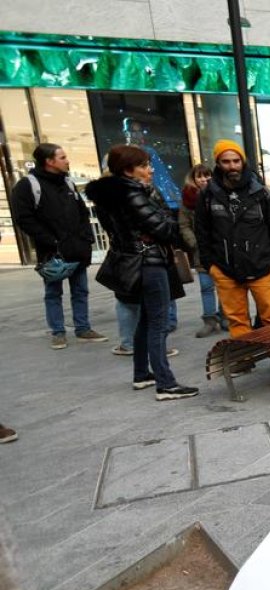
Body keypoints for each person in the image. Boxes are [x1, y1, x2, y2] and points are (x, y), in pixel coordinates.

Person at [86, 145, 198, 400]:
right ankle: (166, 384)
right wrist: (163, 211)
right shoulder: (133, 194)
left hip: (135, 261)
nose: (150, 170)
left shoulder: (111, 194)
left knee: (147, 320)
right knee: (158, 322)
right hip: (149, 262)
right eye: (144, 166)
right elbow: (165, 229)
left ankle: (141, 374)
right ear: (128, 170)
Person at [194, 139, 270, 373]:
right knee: (237, 320)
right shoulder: (208, 195)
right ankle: (243, 359)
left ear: (243, 162)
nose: (232, 166)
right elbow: (202, 232)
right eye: (226, 161)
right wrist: (210, 265)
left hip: (262, 266)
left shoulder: (261, 193)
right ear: (218, 163)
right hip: (225, 269)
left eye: (236, 161)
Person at [11, 143, 107, 349]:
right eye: (62, 157)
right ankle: (58, 332)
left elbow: (82, 213)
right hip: (52, 252)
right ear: (49, 161)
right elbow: (23, 218)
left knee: (80, 290)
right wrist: (50, 240)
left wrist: (86, 238)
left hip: (77, 248)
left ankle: (83, 328)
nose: (67, 161)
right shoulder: (28, 185)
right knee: (53, 292)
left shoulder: (68, 183)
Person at [178, 164, 225, 338]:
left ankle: (225, 316)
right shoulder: (187, 199)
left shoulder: (221, 194)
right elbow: (184, 225)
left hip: (221, 248)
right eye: (200, 176)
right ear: (193, 179)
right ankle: (209, 320)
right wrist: (195, 243)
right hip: (201, 250)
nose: (204, 179)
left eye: (207, 175)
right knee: (206, 286)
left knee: (224, 285)